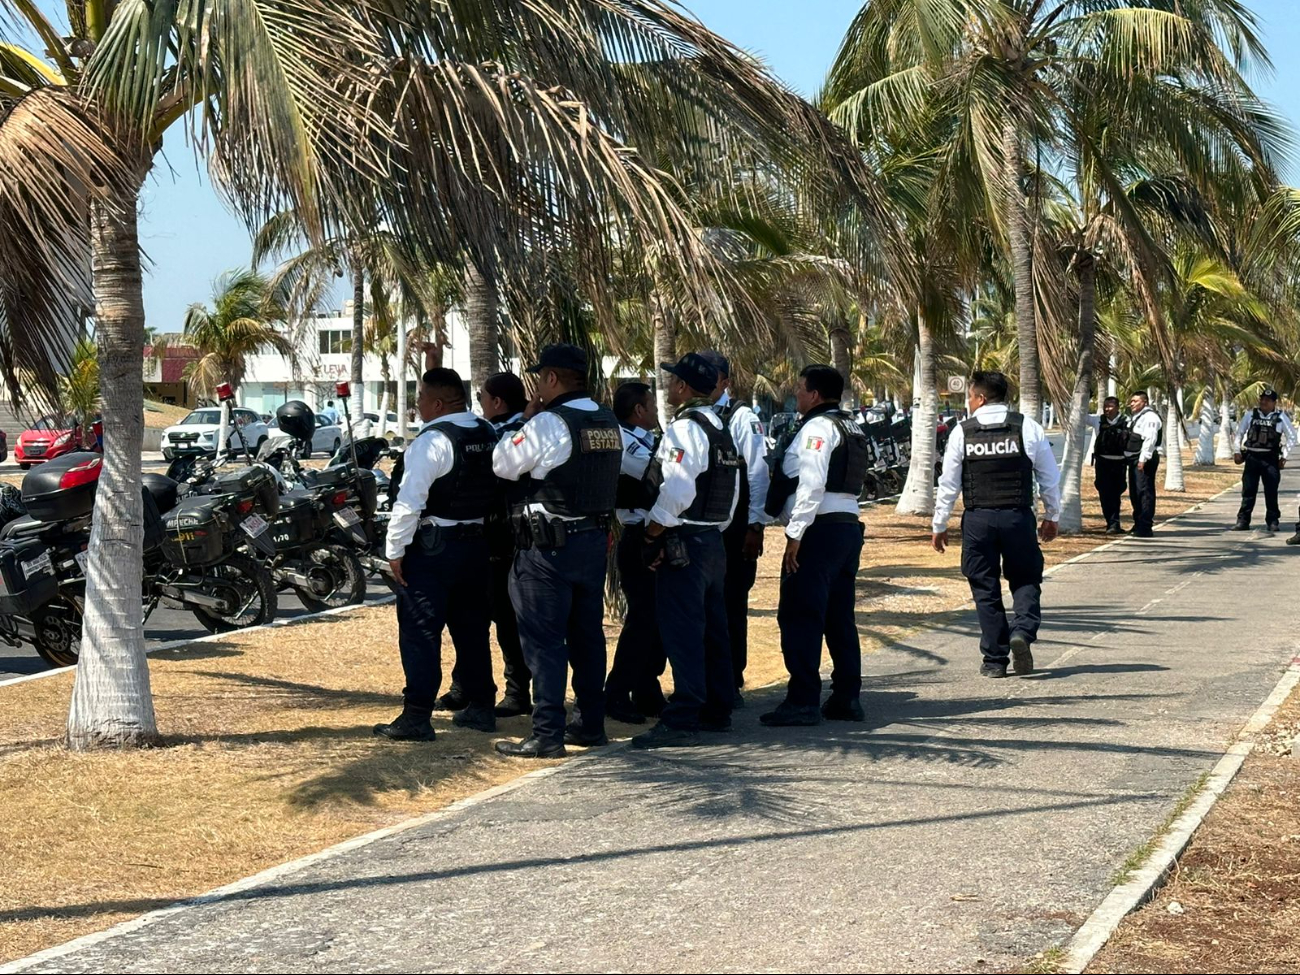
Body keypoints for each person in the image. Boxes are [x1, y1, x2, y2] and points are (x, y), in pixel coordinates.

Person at [492, 344, 622, 758]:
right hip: (591, 542)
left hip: (548, 550)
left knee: (544, 642)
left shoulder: (549, 422)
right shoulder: (606, 420)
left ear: (551, 379)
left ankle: (547, 733)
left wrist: (526, 419)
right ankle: (590, 724)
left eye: (540, 379)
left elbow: (502, 464)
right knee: (586, 637)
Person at [374, 368, 500, 742]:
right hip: (477, 546)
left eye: (420, 401)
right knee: (472, 631)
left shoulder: (432, 442)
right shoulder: (486, 431)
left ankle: (416, 716)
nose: (418, 408)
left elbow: (409, 502)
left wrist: (394, 551)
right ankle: (481, 707)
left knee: (420, 633)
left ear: (438, 403)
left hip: (434, 550)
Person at [633, 353, 739, 749]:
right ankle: (717, 708)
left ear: (682, 386)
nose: (669, 387)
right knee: (714, 631)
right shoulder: (719, 427)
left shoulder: (685, 428)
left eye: (672, 380)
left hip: (685, 539)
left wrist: (653, 532)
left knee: (684, 632)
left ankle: (683, 716)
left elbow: (677, 489)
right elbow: (730, 494)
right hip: (711, 538)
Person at [932, 370, 1061, 678]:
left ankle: (994, 659)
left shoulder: (962, 432)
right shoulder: (1027, 427)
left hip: (978, 519)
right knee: (1026, 578)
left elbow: (948, 484)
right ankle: (1023, 632)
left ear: (981, 398)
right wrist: (1052, 516)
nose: (969, 402)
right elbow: (1048, 477)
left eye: (970, 396)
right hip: (1017, 516)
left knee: (984, 586)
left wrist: (939, 524)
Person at [761, 364, 869, 726]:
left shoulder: (818, 428)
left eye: (801, 388)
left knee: (800, 616)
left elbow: (811, 483)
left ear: (815, 394)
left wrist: (796, 533)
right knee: (839, 618)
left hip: (818, 531)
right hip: (847, 528)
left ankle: (803, 700)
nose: (797, 394)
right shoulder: (851, 426)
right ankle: (846, 697)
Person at [699, 350, 770, 703]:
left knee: (731, 604)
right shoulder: (695, 417)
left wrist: (755, 524)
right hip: (705, 525)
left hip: (736, 526)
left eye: (710, 376)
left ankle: (731, 680)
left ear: (725, 381)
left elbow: (757, 471)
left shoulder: (741, 417)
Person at [605, 381, 668, 724]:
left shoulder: (644, 439)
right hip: (638, 536)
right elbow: (659, 477)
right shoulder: (625, 442)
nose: (657, 411)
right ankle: (616, 692)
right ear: (639, 410)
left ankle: (646, 689)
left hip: (652, 533)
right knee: (643, 620)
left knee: (654, 620)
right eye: (652, 405)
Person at [477, 371, 533, 717]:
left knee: (507, 620)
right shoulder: (528, 426)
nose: (480, 404)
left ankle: (517, 691)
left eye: (482, 397)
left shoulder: (504, 433)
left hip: (504, 534)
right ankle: (470, 685)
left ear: (497, 402)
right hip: (510, 533)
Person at [1232, 388, 1296, 532]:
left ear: (1274, 402)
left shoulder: (1281, 418)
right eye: (1262, 399)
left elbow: (1292, 436)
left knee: (1271, 492)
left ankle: (1273, 521)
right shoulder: (1250, 415)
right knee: (1248, 491)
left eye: (1267, 400)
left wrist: (1284, 456)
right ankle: (1243, 520)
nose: (1264, 402)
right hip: (1252, 458)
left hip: (1270, 459)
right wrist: (1237, 451)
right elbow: (1239, 433)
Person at [1085, 396, 1133, 534]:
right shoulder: (1097, 420)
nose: (1107, 409)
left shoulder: (1127, 421)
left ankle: (1114, 522)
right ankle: (1111, 523)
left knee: (1117, 491)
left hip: (1120, 462)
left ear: (1118, 407)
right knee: (1104, 493)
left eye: (1111, 406)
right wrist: (1087, 396)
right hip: (1103, 462)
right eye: (1105, 406)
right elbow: (1080, 414)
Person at [1127, 391, 1163, 538]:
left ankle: (1145, 526)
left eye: (1135, 401)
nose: (1132, 404)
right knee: (1135, 492)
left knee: (1144, 492)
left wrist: (1143, 459)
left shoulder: (1150, 417)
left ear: (1145, 402)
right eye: (1131, 401)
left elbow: (1150, 439)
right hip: (1135, 458)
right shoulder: (1137, 417)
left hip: (1145, 459)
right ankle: (1138, 522)